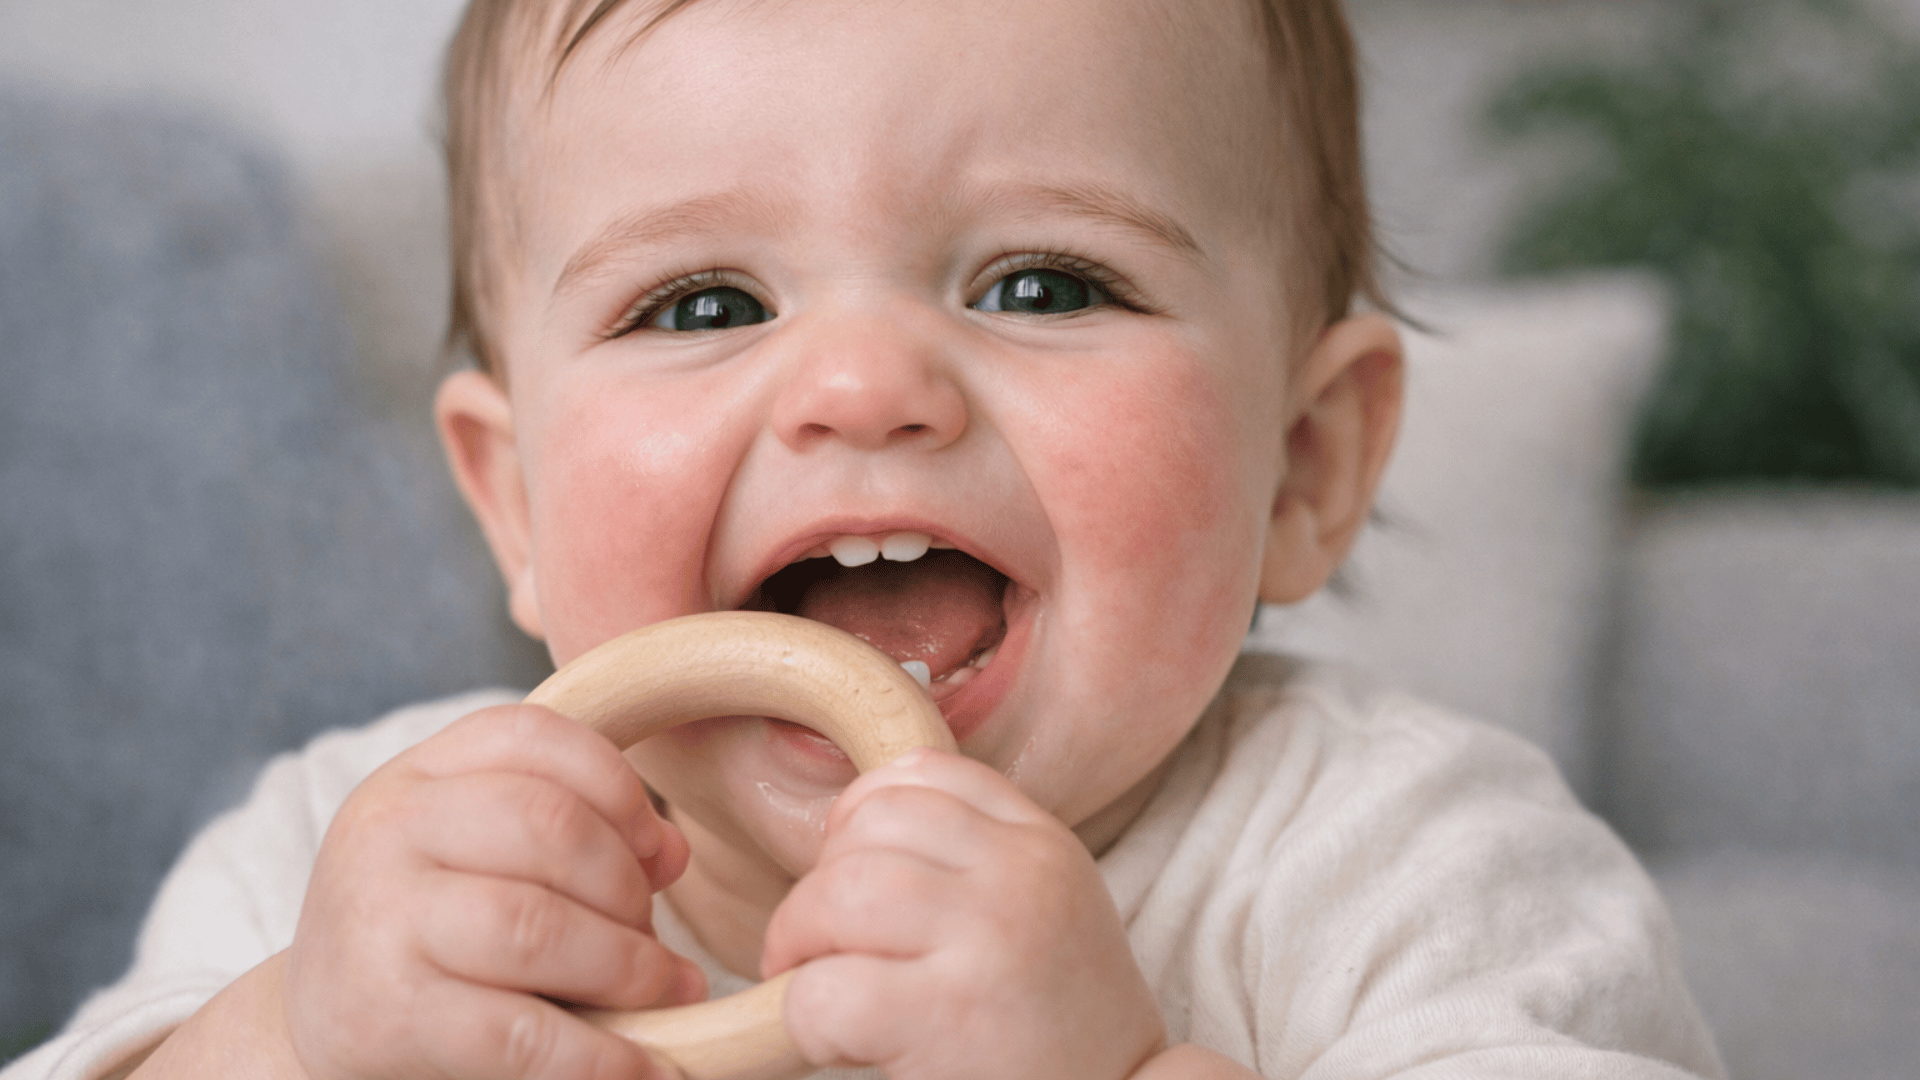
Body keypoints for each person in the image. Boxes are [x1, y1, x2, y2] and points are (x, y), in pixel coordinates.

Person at [7, 1, 1727, 1078]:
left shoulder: (1408, 866)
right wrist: (294, 1041)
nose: (862, 386)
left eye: (1044, 282)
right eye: (700, 302)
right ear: (514, 500)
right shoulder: (338, 865)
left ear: (1300, 463)